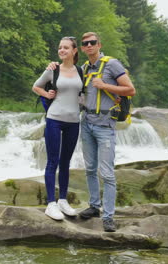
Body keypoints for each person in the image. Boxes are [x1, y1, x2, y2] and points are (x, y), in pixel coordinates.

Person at [55, 32, 135, 232]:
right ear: (81, 48)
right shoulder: (83, 68)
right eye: (85, 44)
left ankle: (108, 216)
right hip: (87, 123)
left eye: (92, 43)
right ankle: (94, 206)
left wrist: (105, 85)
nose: (89, 45)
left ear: (99, 44)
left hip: (105, 125)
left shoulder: (112, 65)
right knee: (90, 169)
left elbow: (130, 90)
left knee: (107, 173)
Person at [32, 36, 83, 220]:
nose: (62, 50)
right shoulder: (53, 70)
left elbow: (82, 93)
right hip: (54, 119)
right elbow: (36, 87)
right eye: (60, 47)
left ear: (74, 50)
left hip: (74, 121)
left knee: (65, 162)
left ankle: (63, 200)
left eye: (66, 48)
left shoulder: (80, 71)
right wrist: (47, 93)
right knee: (52, 161)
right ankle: (51, 204)